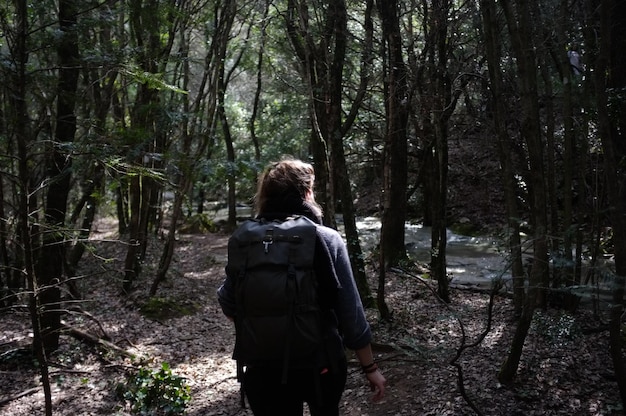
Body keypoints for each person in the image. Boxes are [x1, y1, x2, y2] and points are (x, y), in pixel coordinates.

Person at [217, 158, 386, 416]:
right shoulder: (325, 238)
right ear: (307, 194)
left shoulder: (245, 239)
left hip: (262, 367)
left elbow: (229, 303)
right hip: (319, 364)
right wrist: (370, 368)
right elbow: (350, 315)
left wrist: (268, 323)